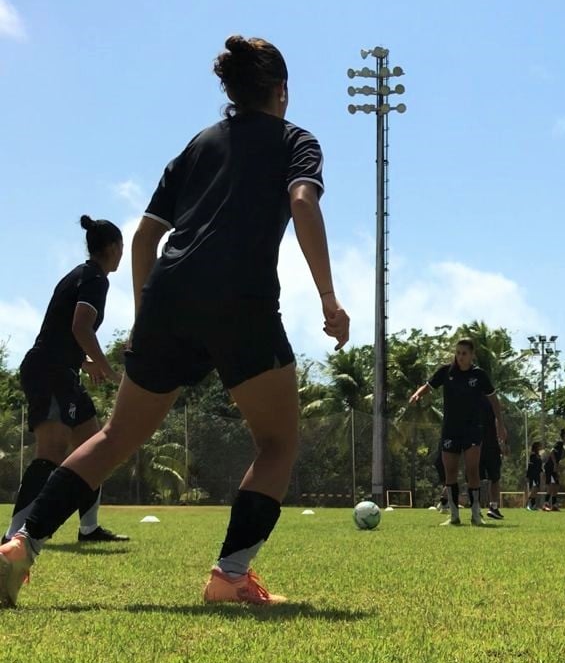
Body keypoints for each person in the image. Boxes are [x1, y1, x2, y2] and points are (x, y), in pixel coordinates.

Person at [0, 35, 350, 608]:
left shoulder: (200, 143)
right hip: (240, 298)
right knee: (277, 441)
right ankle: (230, 577)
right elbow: (304, 203)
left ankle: (18, 545)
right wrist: (330, 298)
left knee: (115, 437)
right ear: (281, 91)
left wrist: (145, 315)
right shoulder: (295, 139)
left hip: (168, 293)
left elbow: (145, 234)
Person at [3, 216, 129, 546]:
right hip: (49, 371)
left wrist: (84, 362)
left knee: (94, 448)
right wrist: (107, 367)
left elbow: (64, 332)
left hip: (62, 371)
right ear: (114, 247)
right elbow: (80, 327)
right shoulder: (95, 279)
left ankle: (89, 529)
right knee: (52, 452)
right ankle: (12, 537)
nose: (122, 255)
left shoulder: (81, 275)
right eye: (122, 248)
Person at [409, 338, 506, 526]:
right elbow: (428, 386)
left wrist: (500, 425)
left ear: (472, 355)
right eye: (458, 353)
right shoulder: (446, 372)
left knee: (472, 471)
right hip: (450, 429)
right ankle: (453, 515)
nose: (460, 357)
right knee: (450, 472)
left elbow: (494, 400)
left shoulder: (479, 375)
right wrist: (417, 394)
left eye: (464, 353)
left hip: (472, 429)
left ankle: (476, 514)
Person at [479, 396, 508, 520]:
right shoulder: (476, 408)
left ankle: (493, 507)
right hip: (477, 446)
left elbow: (502, 433)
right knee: (475, 478)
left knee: (494, 478)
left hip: (491, 447)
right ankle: (477, 507)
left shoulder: (496, 418)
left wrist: (504, 445)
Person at [542, 430, 565, 511]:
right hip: (550, 467)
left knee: (556, 486)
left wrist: (557, 467)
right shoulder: (559, 443)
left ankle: (554, 505)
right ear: (564, 436)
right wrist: (555, 464)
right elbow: (551, 452)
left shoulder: (562, 445)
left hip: (554, 468)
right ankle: (545, 504)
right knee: (551, 486)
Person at [525, 440, 543, 511]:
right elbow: (530, 466)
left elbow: (539, 465)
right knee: (534, 489)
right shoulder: (533, 455)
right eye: (539, 445)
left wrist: (542, 471)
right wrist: (527, 476)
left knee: (537, 489)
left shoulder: (538, 455)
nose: (541, 447)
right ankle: (529, 503)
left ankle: (533, 505)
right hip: (533, 475)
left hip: (537, 474)